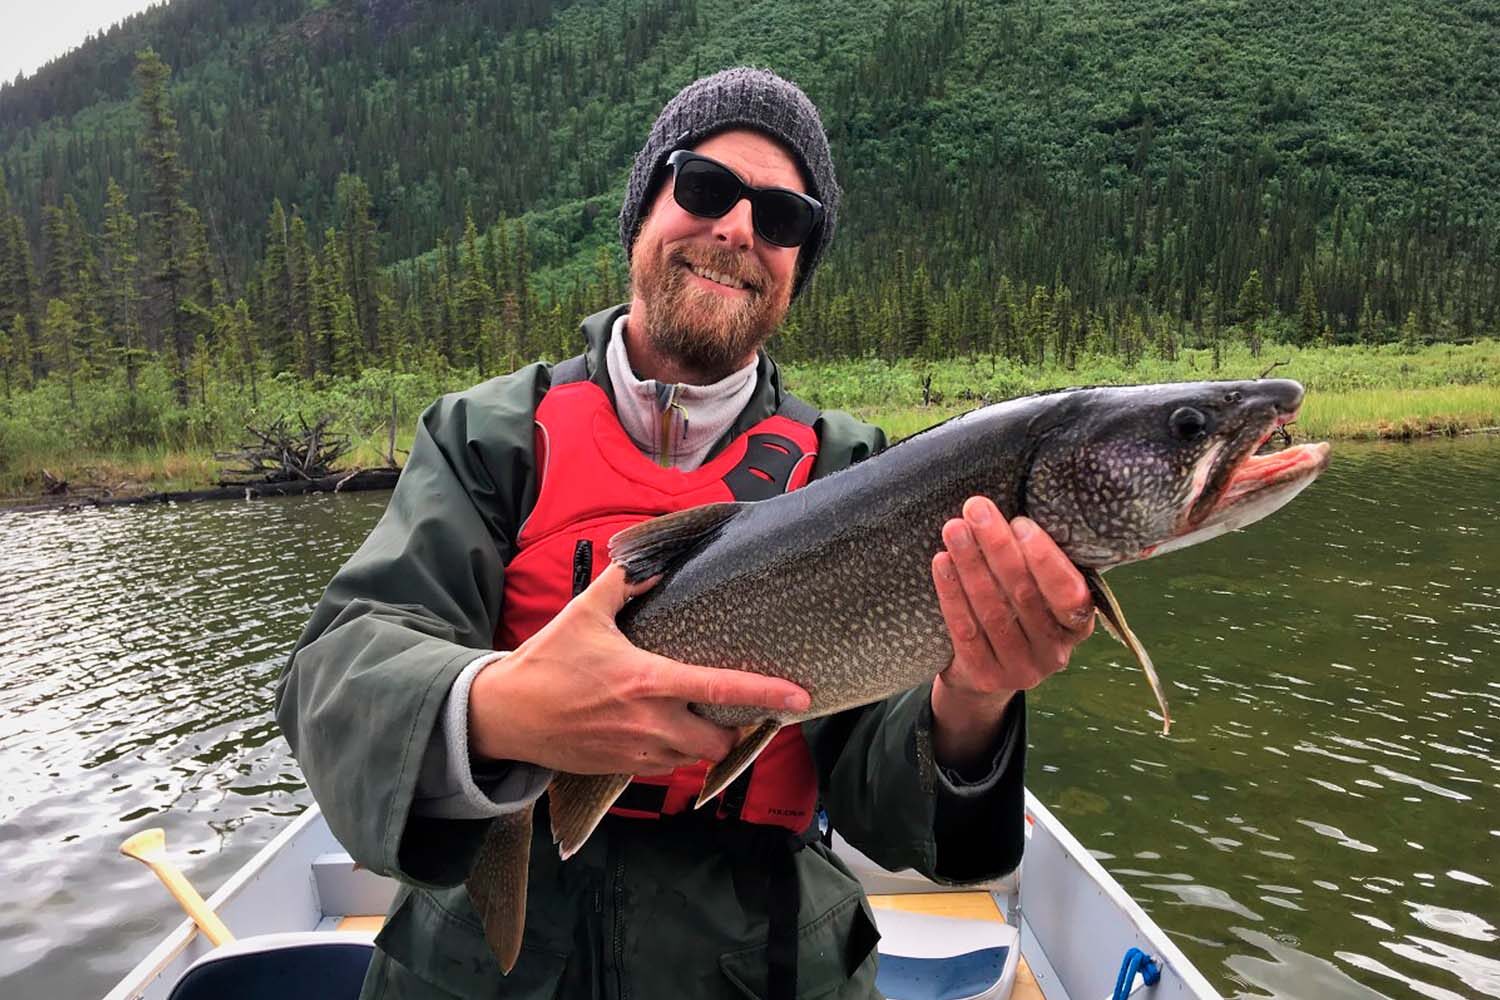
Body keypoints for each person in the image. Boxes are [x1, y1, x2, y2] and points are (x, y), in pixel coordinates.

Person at [276, 67, 1094, 1000]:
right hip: (487, 965)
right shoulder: (486, 438)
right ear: (642, 212)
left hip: (763, 959)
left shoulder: (851, 468)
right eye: (705, 187)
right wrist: (504, 711)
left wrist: (975, 699)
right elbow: (334, 674)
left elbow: (886, 797)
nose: (739, 228)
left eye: (783, 218)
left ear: (795, 267)